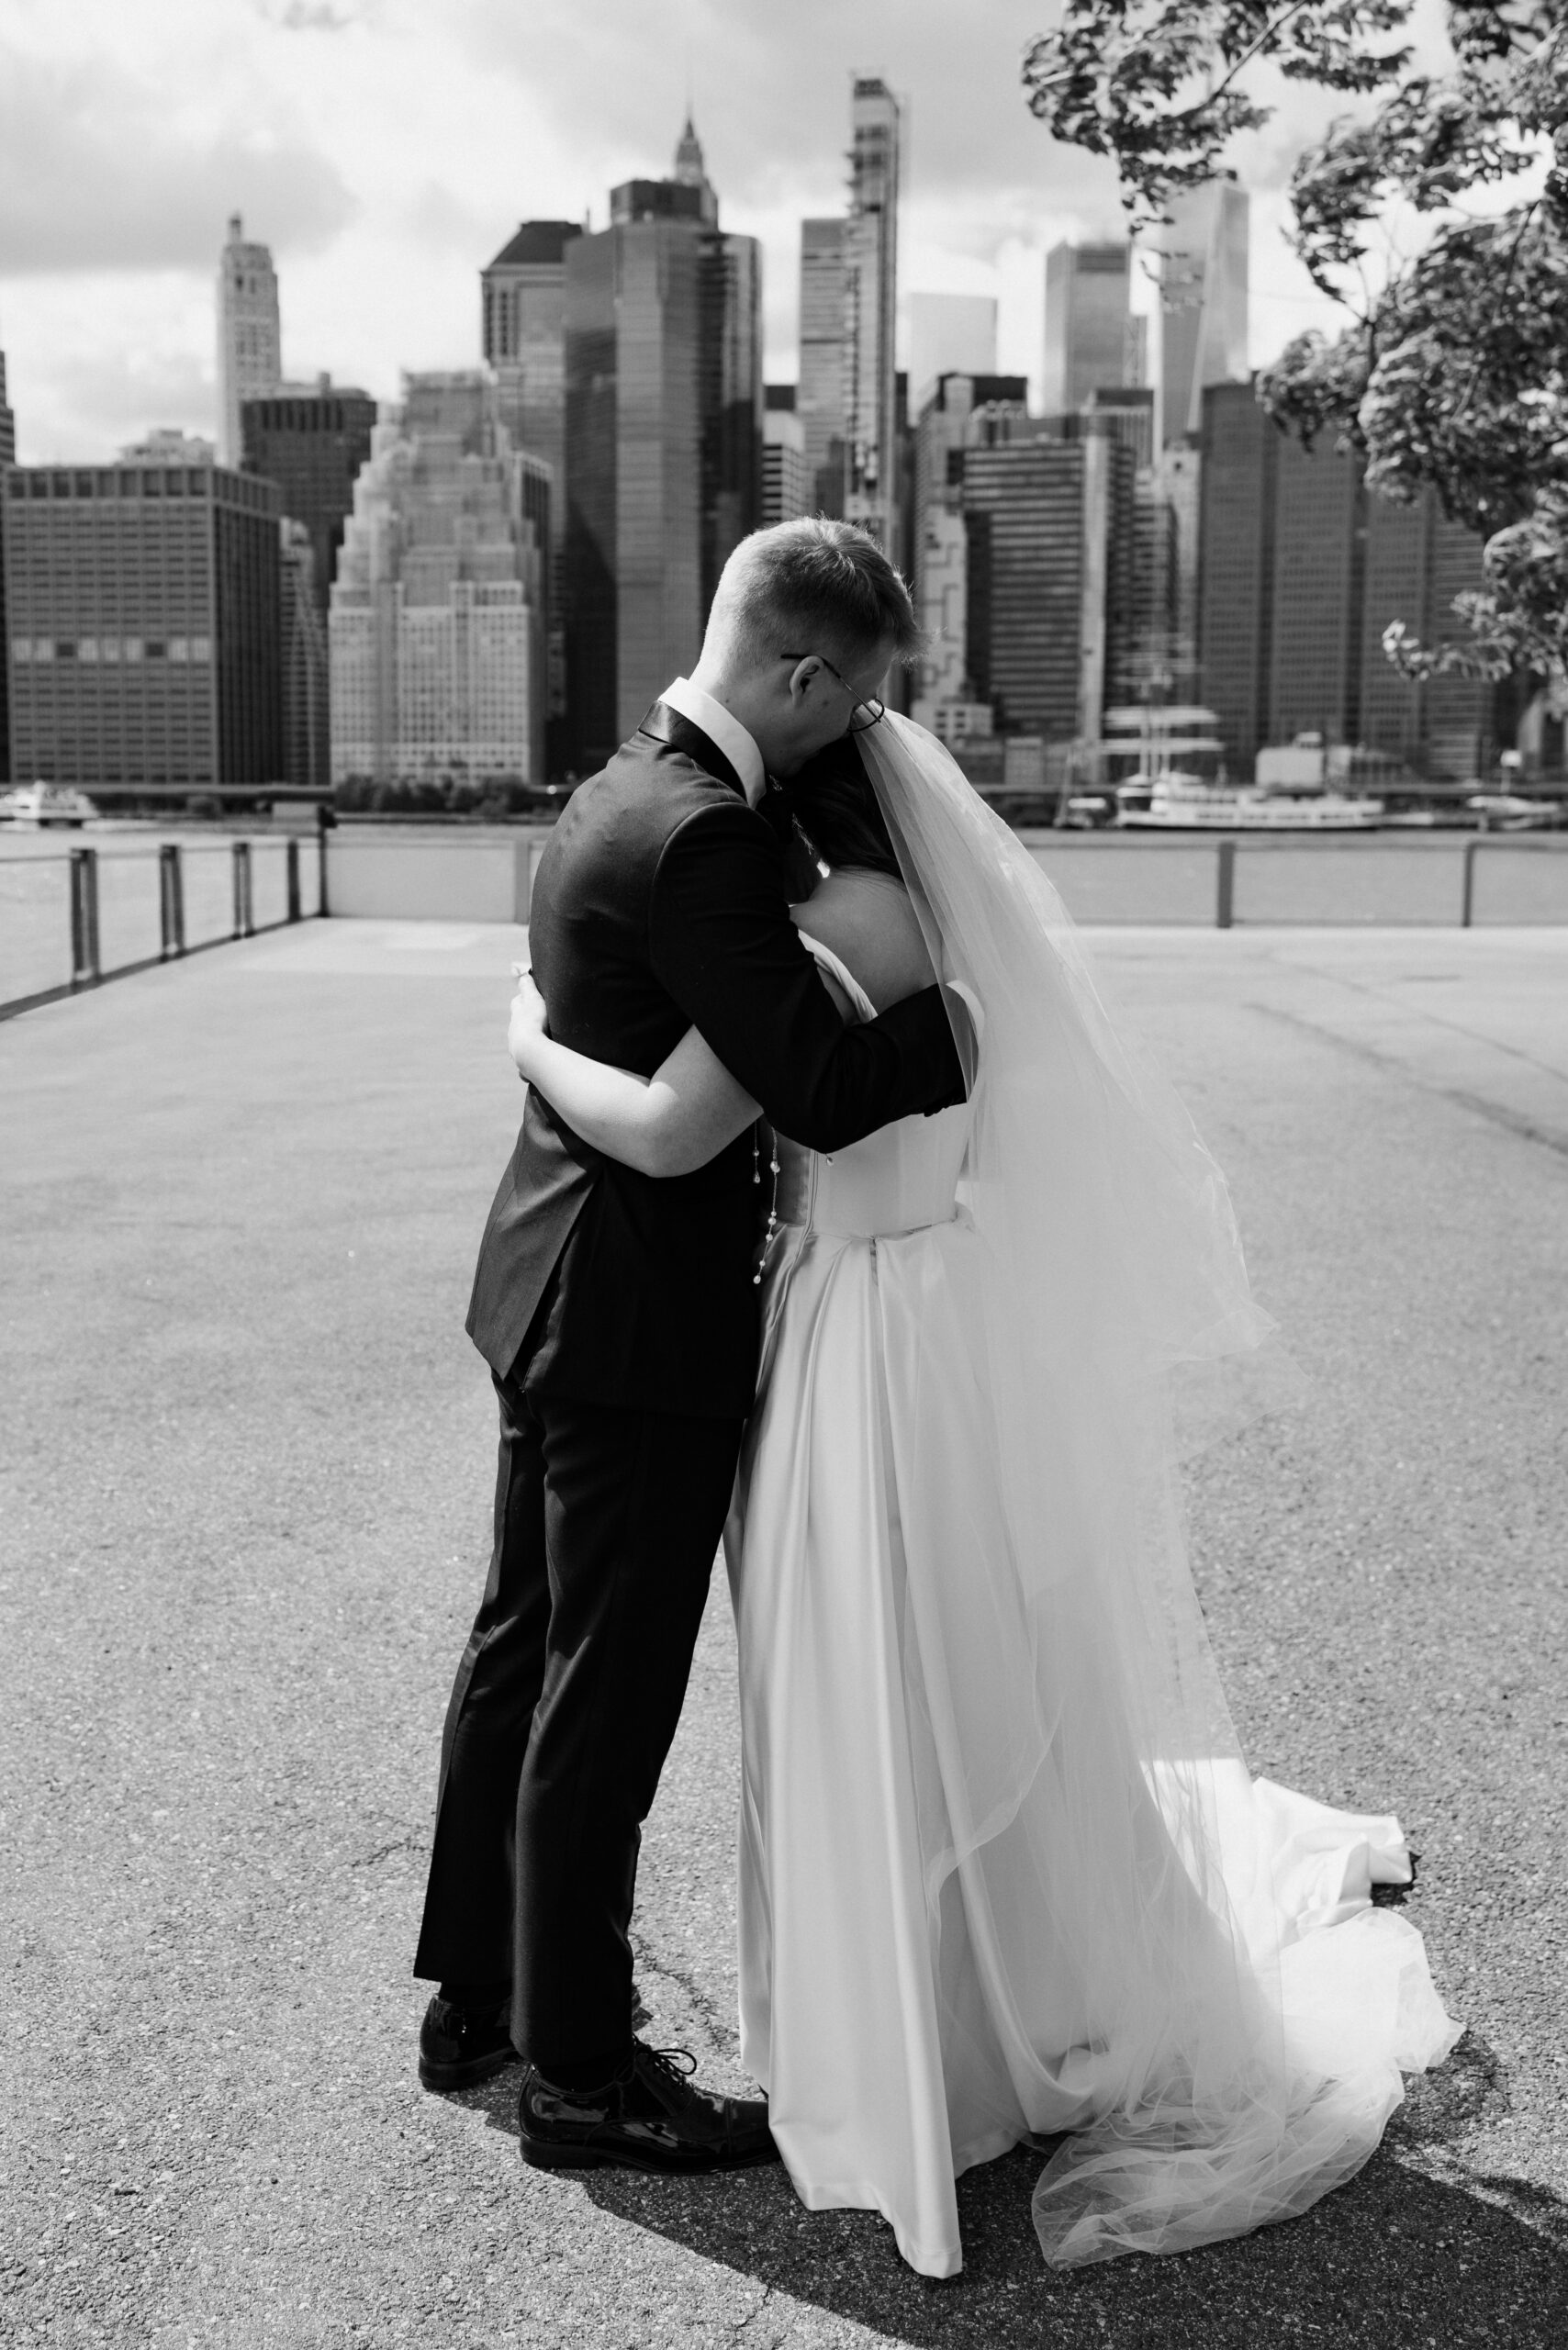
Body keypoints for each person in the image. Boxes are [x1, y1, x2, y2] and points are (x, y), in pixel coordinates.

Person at [504, 701, 1462, 2271]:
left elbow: (679, 1126)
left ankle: (904, 2040)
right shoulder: (947, 926)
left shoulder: (814, 931)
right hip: (936, 1315)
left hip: (848, 1333)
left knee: (855, 1679)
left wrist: (532, 1031)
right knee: (960, 1658)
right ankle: (999, 1986)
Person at [411, 520, 967, 2177]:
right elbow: (814, 1086)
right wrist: (966, 1025)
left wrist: (519, 1042)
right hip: (641, 1330)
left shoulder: (608, 790)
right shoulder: (714, 842)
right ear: (802, 670)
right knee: (605, 1687)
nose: (856, 731)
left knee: (521, 1648)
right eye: (853, 700)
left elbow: (602, 1040)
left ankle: (482, 2001)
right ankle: (580, 2077)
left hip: (543, 1294)